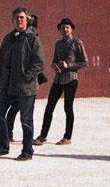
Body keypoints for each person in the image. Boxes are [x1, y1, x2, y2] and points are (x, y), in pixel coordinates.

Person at [0, 7, 43, 161]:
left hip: (26, 88)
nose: (20, 20)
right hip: (8, 86)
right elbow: (1, 62)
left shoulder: (33, 39)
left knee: (26, 120)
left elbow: (39, 62)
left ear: (27, 20)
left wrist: (27, 77)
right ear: (13, 20)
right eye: (17, 18)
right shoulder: (8, 39)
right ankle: (3, 146)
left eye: (22, 18)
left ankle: (27, 151)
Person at [37, 18, 87, 146]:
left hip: (71, 79)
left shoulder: (77, 43)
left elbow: (84, 62)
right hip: (58, 80)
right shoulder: (58, 44)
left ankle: (67, 137)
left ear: (71, 29)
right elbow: (54, 60)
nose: (65, 30)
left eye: (67, 27)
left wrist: (68, 65)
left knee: (68, 108)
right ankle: (43, 136)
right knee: (49, 107)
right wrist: (54, 66)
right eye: (62, 27)